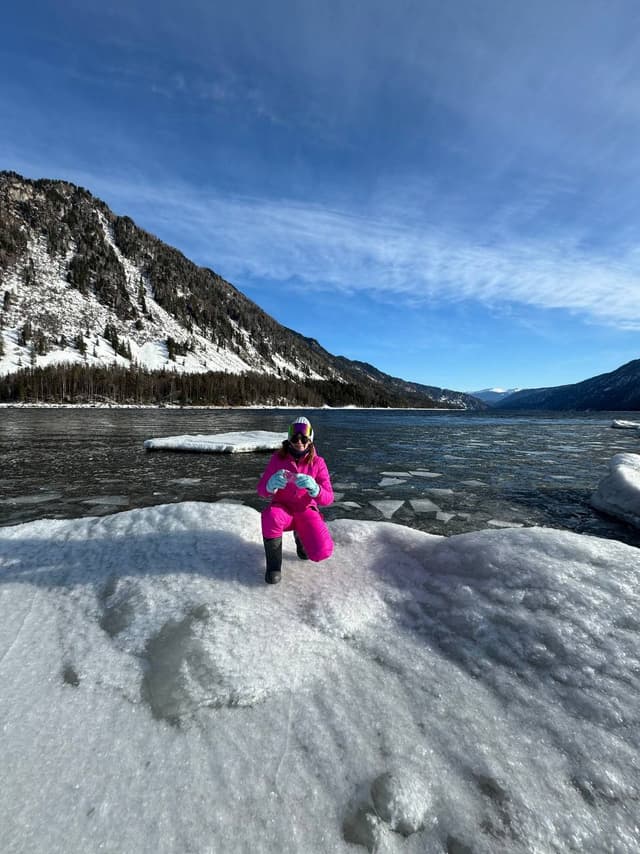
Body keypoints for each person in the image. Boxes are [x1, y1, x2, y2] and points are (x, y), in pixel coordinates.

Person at [257, 416, 334, 584]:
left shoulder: (318, 463)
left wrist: (315, 489)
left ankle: (301, 538)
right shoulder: (277, 459)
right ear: (289, 439)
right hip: (282, 510)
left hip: (305, 510)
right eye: (295, 438)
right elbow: (261, 491)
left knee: (322, 551)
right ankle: (273, 567)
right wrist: (269, 486)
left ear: (310, 440)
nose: (299, 442)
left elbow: (328, 498)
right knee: (271, 516)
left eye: (304, 438)